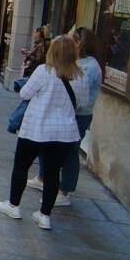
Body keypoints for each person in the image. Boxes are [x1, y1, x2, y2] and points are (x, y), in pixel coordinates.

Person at [0, 36, 88, 230]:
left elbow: (24, 94)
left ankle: (13, 205)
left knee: (21, 166)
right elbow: (82, 103)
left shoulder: (44, 72)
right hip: (64, 133)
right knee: (53, 173)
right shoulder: (81, 75)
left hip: (37, 129)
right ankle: (45, 215)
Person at [27, 27, 103, 207]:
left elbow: (80, 97)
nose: (71, 42)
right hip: (62, 112)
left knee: (69, 152)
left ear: (83, 43)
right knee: (46, 144)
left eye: (74, 40)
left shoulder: (90, 67)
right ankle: (43, 178)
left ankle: (65, 190)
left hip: (77, 116)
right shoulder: (76, 61)